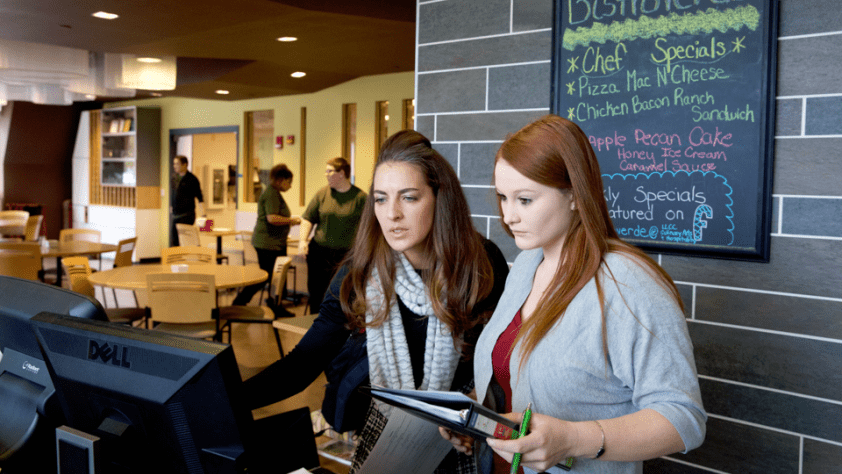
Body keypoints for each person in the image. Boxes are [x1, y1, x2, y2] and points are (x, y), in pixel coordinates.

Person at [441, 115, 706, 474]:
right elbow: (515, 377)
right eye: (503, 197)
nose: (509, 215)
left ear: (574, 196)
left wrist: (573, 439)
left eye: (525, 200)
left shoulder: (628, 283)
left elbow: (683, 418)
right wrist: (476, 417)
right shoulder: (525, 266)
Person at [242, 130, 510, 473]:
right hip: (385, 441)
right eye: (381, 199)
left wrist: (476, 408)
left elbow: (504, 363)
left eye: (409, 198)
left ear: (439, 198)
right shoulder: (361, 273)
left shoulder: (482, 264)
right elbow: (304, 363)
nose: (392, 214)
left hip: (461, 447)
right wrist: (227, 403)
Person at [299, 156, 367, 314]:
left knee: (341, 294)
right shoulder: (322, 194)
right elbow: (308, 219)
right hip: (319, 253)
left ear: (341, 173)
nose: (326, 175)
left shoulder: (360, 198)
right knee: (316, 293)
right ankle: (315, 324)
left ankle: (339, 327)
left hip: (345, 255)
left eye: (329, 171)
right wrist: (302, 241)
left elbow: (369, 227)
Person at [232, 164, 301, 315]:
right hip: (268, 244)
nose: (290, 186)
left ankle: (274, 304)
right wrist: (291, 221)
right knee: (266, 276)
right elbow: (272, 218)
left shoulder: (273, 193)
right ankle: (240, 302)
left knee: (276, 276)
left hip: (274, 242)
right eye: (288, 182)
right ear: (280, 180)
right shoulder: (271, 194)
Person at [170, 155, 205, 247]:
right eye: (174, 164)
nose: (174, 166)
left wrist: (204, 214)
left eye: (177, 164)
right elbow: (173, 194)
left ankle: (187, 259)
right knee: (175, 241)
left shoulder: (192, 179)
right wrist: (171, 206)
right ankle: (177, 260)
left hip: (187, 215)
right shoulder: (174, 178)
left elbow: (200, 197)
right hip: (176, 215)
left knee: (184, 241)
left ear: (185, 165)